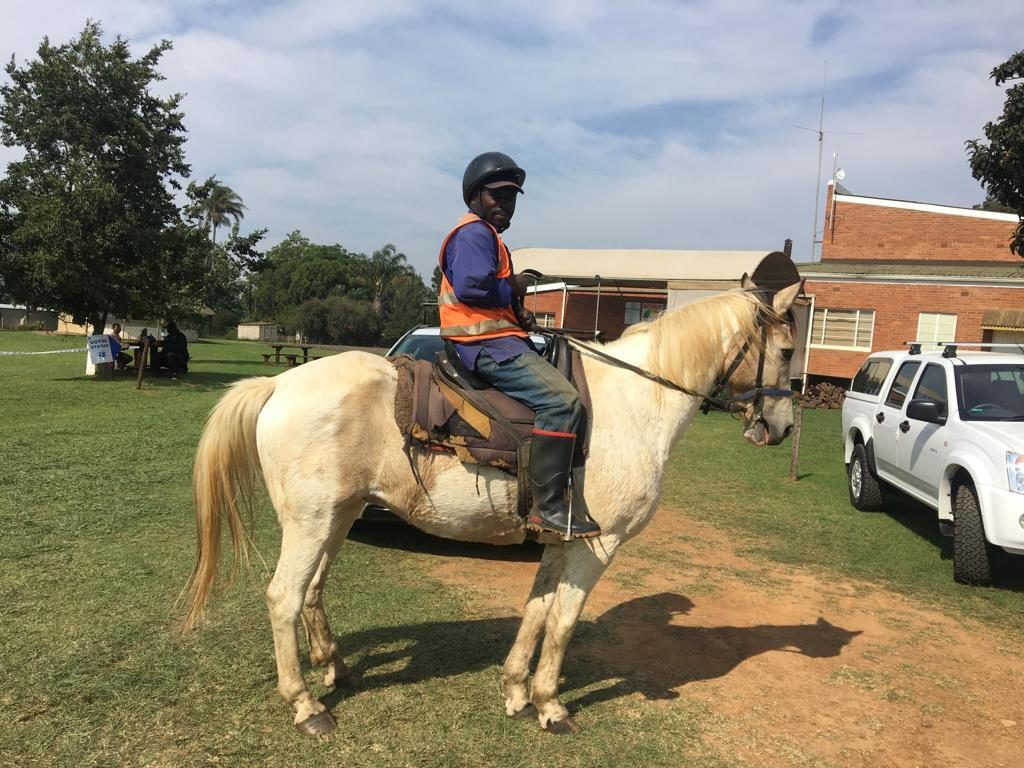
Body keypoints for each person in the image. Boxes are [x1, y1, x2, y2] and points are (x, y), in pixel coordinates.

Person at [437, 151, 601, 539]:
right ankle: (548, 507)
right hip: (485, 346)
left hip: (497, 338)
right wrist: (514, 286)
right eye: (497, 196)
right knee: (562, 401)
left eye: (511, 198)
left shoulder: (488, 238)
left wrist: (518, 313)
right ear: (476, 196)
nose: (505, 205)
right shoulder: (474, 232)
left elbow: (488, 295)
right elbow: (471, 287)